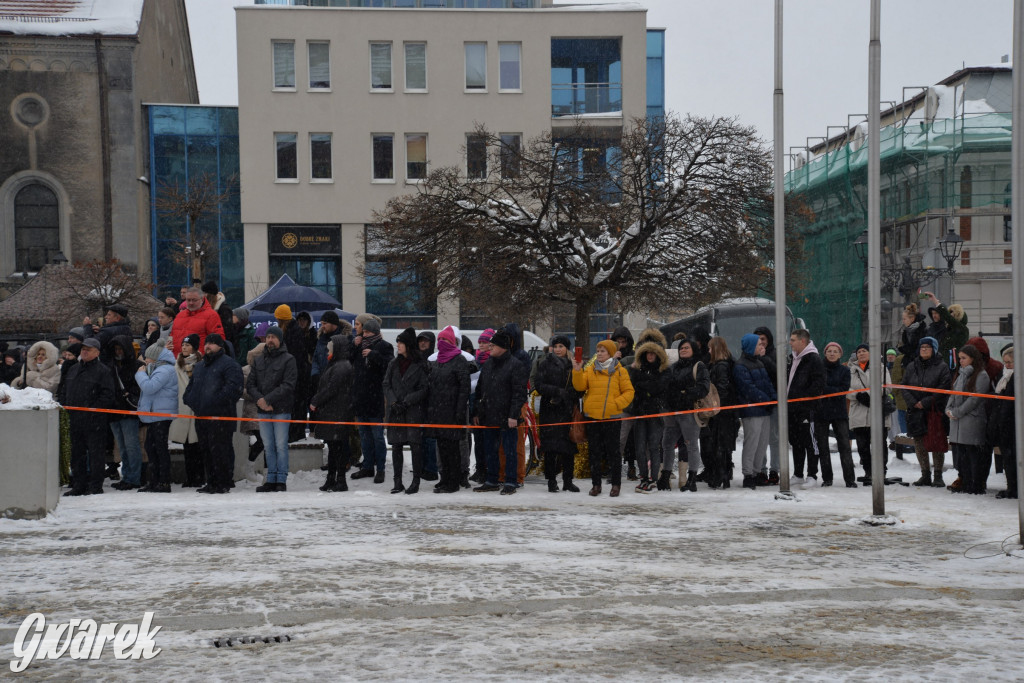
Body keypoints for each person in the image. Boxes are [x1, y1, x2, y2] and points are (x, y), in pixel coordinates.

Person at [573, 339, 634, 497]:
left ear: (611, 353)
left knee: (613, 453)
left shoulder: (620, 371)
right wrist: (577, 371)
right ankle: (596, 485)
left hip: (612, 418)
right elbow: (580, 386)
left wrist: (616, 404)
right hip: (592, 417)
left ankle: (615, 484)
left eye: (602, 351)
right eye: (598, 350)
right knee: (594, 453)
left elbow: (629, 392)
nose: (599, 353)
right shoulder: (591, 369)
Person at [183, 333, 243, 494]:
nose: (208, 346)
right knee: (206, 450)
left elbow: (233, 390)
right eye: (206, 343)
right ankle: (211, 481)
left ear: (220, 346)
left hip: (221, 417)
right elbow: (191, 388)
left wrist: (213, 402)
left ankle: (223, 482)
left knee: (220, 451)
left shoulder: (229, 365)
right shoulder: (201, 366)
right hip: (202, 417)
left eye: (212, 343)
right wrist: (191, 400)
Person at [473, 329, 529, 495]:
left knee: (509, 450)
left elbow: (519, 393)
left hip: (507, 417)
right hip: (489, 415)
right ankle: (492, 480)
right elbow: (480, 389)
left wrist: (513, 415)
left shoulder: (515, 365)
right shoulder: (489, 364)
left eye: (492, 345)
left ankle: (511, 481)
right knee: (490, 449)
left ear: (503, 347)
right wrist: (477, 412)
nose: (489, 348)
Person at [247, 325, 297, 492]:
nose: (270, 340)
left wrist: (268, 399)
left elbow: (288, 385)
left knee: (281, 445)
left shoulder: (289, 359)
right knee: (268, 445)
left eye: (273, 337)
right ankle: (271, 479)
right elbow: (251, 384)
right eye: (268, 337)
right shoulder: (259, 360)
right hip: (263, 410)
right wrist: (260, 400)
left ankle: (281, 479)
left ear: (280, 339)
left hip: (281, 409)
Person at [63, 338, 116, 496]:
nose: (84, 351)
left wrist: (94, 409)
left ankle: (95, 485)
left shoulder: (103, 371)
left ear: (97, 353)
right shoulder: (73, 369)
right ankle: (79, 484)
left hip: (94, 421)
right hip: (75, 419)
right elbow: (64, 389)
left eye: (89, 349)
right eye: (83, 348)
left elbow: (108, 395)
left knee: (96, 454)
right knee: (77, 453)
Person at [383, 328, 430, 494]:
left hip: (412, 411)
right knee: (396, 446)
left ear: (408, 345)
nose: (398, 345)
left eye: (401, 342)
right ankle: (397, 482)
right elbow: (386, 384)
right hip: (396, 411)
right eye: (397, 342)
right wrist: (394, 401)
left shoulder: (420, 364)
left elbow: (424, 388)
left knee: (415, 447)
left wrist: (407, 401)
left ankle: (415, 481)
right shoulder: (393, 364)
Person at [901, 336, 952, 488]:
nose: (924, 349)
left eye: (927, 347)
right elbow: (904, 386)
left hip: (934, 410)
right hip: (915, 411)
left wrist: (925, 402)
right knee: (919, 442)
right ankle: (925, 474)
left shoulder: (941, 366)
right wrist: (913, 402)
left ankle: (938, 475)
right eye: (922, 347)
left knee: (936, 443)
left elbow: (943, 388)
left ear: (934, 350)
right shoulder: (912, 365)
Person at [532, 335, 580, 493]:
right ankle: (551, 481)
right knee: (551, 448)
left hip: (567, 410)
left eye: (561, 346)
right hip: (550, 409)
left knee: (568, 447)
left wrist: (571, 394)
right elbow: (538, 384)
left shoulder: (573, 364)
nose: (558, 349)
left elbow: (581, 385)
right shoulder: (545, 363)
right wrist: (556, 392)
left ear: (567, 348)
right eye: (556, 346)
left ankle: (568, 480)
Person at [426, 326, 471, 494]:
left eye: (445, 340)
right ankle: (444, 478)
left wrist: (459, 410)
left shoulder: (459, 360)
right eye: (440, 340)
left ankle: (453, 481)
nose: (441, 343)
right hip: (438, 411)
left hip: (452, 412)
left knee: (453, 449)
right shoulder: (437, 360)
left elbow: (464, 387)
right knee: (442, 447)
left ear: (452, 342)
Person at [349, 314, 394, 483]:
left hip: (375, 398)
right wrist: (354, 346)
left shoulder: (384, 346)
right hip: (361, 397)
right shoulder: (359, 346)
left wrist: (374, 355)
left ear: (375, 332)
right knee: (364, 436)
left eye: (367, 332)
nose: (364, 335)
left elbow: (390, 365)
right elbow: (349, 359)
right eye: (364, 332)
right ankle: (367, 466)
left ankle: (380, 468)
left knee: (377, 436)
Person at [660, 339, 708, 492]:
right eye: (681, 348)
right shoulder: (673, 367)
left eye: (687, 348)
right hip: (672, 412)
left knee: (691, 445)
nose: (683, 350)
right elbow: (666, 386)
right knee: (667, 444)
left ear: (694, 349)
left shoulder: (699, 366)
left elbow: (703, 388)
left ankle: (691, 479)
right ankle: (665, 476)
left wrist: (685, 394)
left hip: (688, 412)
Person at [310, 334, 355, 492]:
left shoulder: (341, 366)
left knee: (338, 448)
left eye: (330, 346)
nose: (327, 348)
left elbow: (330, 388)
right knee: (333, 447)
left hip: (338, 413)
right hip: (333, 412)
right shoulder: (336, 364)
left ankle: (340, 480)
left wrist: (316, 400)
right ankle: (332, 478)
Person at [945, 344, 992, 495]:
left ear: (973, 358)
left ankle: (975, 484)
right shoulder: (961, 374)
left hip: (972, 421)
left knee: (973, 455)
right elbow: (953, 394)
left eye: (964, 358)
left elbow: (975, 399)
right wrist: (948, 409)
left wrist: (957, 412)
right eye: (959, 358)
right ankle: (965, 481)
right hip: (958, 421)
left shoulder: (981, 375)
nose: (961, 361)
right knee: (962, 455)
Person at [733, 334, 777, 490]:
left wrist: (773, 398)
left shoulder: (759, 362)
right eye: (759, 344)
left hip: (764, 410)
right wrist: (765, 400)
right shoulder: (740, 366)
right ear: (751, 346)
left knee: (762, 443)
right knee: (752, 442)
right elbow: (748, 388)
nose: (762, 347)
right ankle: (748, 474)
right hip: (751, 410)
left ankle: (757, 471)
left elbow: (767, 383)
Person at [626, 336, 669, 493]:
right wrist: (646, 386)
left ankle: (653, 479)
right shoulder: (636, 370)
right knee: (639, 447)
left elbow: (657, 387)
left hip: (655, 413)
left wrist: (645, 386)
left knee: (653, 446)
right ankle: (644, 477)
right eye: (647, 353)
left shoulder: (663, 370)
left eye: (653, 353)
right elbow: (634, 387)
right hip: (639, 412)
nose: (650, 356)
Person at [135, 341, 178, 493]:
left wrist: (140, 374)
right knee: (151, 447)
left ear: (155, 357)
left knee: (159, 448)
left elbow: (149, 387)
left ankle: (164, 482)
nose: (145, 360)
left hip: (161, 414)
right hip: (156, 414)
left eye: (147, 357)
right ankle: (154, 480)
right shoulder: (157, 369)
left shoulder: (164, 370)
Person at [811, 342, 854, 487]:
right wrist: (831, 390)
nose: (832, 353)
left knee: (844, 446)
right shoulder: (818, 369)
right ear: (825, 353)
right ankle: (827, 478)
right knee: (823, 446)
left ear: (840, 354)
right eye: (829, 351)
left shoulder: (844, 370)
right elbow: (817, 388)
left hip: (839, 412)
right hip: (820, 412)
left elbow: (843, 389)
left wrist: (827, 390)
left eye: (835, 351)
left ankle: (850, 479)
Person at [848, 343, 892, 484]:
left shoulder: (881, 367)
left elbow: (887, 387)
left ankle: (881, 472)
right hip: (858, 412)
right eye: (859, 351)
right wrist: (858, 396)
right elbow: (846, 389)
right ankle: (868, 471)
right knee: (862, 445)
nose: (861, 353)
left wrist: (868, 394)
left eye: (864, 351)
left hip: (878, 411)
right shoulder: (850, 370)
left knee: (880, 444)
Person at [787, 329, 825, 488]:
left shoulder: (813, 359)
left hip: (807, 409)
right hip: (792, 408)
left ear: (803, 341)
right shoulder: (792, 359)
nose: (790, 342)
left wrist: (803, 398)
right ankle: (798, 473)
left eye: (793, 340)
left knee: (810, 442)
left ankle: (812, 475)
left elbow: (819, 384)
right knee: (796, 442)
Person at [108, 335, 144, 491]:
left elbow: (142, 388)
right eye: (116, 349)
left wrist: (130, 394)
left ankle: (133, 478)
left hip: (129, 411)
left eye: (120, 349)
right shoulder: (112, 366)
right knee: (123, 447)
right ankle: (127, 476)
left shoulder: (137, 366)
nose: (118, 352)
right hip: (115, 411)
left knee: (131, 446)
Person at [170, 335, 205, 487]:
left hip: (197, 408)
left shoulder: (201, 364)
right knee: (187, 445)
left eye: (188, 345)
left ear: (194, 348)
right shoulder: (176, 365)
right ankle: (190, 477)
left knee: (197, 445)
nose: (184, 347)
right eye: (183, 344)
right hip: (183, 408)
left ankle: (199, 476)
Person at [275, 305, 312, 443]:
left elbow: (294, 357)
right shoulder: (293, 331)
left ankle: (295, 434)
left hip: (297, 378)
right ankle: (295, 433)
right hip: (297, 377)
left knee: (296, 407)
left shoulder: (292, 332)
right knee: (296, 407)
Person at [706, 336, 738, 489]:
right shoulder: (727, 364)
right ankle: (724, 475)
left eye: (710, 348)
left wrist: (716, 405)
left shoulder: (720, 366)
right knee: (724, 445)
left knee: (718, 445)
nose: (709, 351)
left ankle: (720, 476)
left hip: (722, 411)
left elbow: (722, 388)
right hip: (727, 411)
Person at [753, 326, 781, 484]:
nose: (761, 342)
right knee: (759, 438)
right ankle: (761, 469)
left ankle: (775, 469)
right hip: (758, 402)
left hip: (773, 402)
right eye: (758, 339)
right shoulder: (751, 355)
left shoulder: (775, 354)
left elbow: (778, 374)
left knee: (774, 438)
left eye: (763, 339)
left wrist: (764, 358)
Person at [469, 328, 496, 483]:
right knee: (478, 442)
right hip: (475, 405)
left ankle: (487, 471)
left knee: (488, 443)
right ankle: (480, 468)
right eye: (479, 342)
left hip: (487, 408)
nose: (481, 345)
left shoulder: (491, 362)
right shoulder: (475, 360)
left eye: (484, 342)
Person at [990, 344, 1016, 499]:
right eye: (1005, 362)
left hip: (1012, 423)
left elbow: (1008, 403)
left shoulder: (1015, 377)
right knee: (1008, 458)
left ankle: (1015, 489)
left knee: (1013, 458)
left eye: (1009, 362)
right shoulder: (1005, 375)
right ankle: (1012, 487)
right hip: (1004, 423)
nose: (1006, 365)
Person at [171, 287, 225, 357]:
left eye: (194, 300)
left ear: (202, 299)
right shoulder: (179, 315)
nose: (191, 303)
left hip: (199, 361)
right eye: (188, 300)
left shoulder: (211, 315)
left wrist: (205, 358)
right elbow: (172, 337)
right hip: (178, 361)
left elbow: (218, 341)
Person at [923, 292, 969, 369]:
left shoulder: (962, 329)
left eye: (952, 315)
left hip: (954, 365)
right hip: (943, 365)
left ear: (957, 317)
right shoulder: (948, 330)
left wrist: (936, 302)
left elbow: (948, 318)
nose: (948, 319)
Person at [202, 280, 235, 348]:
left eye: (205, 293)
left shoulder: (224, 309)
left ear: (209, 295)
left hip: (220, 345)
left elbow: (228, 331)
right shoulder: (207, 308)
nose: (203, 296)